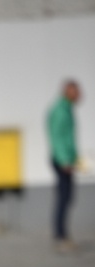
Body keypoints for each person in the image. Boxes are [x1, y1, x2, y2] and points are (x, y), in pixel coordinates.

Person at [47, 80, 82, 249]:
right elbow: (57, 137)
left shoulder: (66, 108)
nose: (79, 94)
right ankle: (60, 236)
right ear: (68, 91)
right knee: (64, 197)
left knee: (67, 197)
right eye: (76, 91)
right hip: (62, 161)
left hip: (66, 160)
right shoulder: (61, 111)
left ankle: (62, 234)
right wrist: (65, 160)